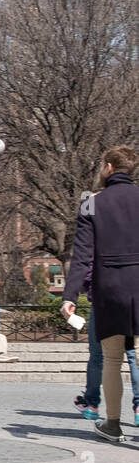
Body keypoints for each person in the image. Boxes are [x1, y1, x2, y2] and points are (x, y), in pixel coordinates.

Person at [62, 146, 139, 442]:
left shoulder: (91, 203)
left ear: (108, 167)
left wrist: (70, 296)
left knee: (111, 359)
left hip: (111, 290)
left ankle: (113, 424)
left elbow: (82, 255)